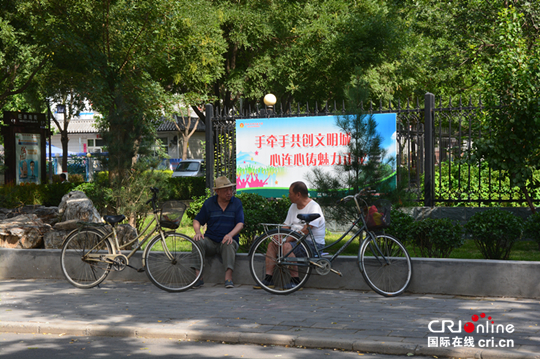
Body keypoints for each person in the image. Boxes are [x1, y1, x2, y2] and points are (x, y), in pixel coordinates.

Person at [253, 181, 325, 290]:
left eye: (290, 193)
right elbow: (286, 226)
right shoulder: (293, 206)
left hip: (312, 244)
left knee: (287, 247)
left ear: (298, 194)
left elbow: (305, 231)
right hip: (294, 240)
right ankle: (268, 279)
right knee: (272, 245)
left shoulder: (314, 207)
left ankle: (295, 281)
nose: (288, 196)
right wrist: (278, 236)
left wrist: (286, 240)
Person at [192, 176, 244, 288]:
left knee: (228, 242)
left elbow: (240, 224)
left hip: (228, 241)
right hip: (211, 240)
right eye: (226, 190)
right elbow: (197, 220)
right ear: (217, 191)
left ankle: (228, 278)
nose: (229, 192)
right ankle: (198, 278)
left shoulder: (236, 203)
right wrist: (197, 232)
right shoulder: (209, 203)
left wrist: (230, 234)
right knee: (197, 242)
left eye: (231, 189)